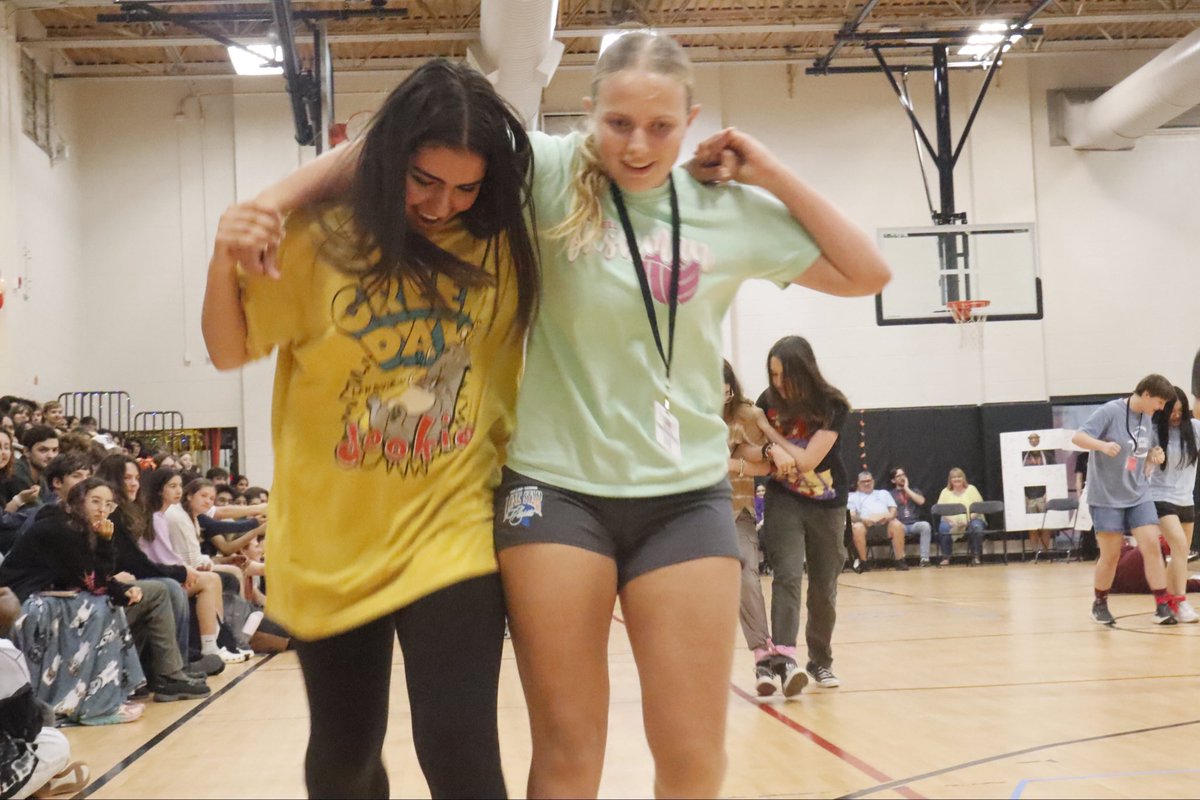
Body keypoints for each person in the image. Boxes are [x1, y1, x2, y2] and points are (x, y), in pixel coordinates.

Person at [241, 35, 888, 797]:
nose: (638, 144)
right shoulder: (544, 172)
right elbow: (397, 145)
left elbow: (865, 271)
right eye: (617, 123)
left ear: (693, 121)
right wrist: (270, 203)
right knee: (570, 749)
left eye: (660, 126)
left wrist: (768, 167)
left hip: (684, 499)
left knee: (692, 753)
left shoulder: (725, 211)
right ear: (589, 114)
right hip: (554, 493)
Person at [202, 59, 541, 799]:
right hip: (331, 542)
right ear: (392, 161)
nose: (442, 203)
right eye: (424, 179)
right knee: (345, 755)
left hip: (452, 531)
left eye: (464, 186)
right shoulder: (322, 240)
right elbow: (228, 350)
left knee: (458, 745)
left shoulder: (502, 241)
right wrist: (226, 248)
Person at [740, 336, 855, 695]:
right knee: (787, 574)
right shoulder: (765, 402)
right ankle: (783, 660)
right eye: (772, 375)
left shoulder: (833, 404)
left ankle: (820, 660)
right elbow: (752, 446)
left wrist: (772, 434)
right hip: (783, 499)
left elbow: (807, 460)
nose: (776, 383)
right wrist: (767, 445)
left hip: (828, 502)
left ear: (802, 372)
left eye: (782, 375)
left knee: (824, 586)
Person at [0, 479, 146, 724]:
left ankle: (99, 699)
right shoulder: (60, 528)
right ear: (78, 501)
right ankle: (84, 704)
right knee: (101, 606)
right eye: (95, 501)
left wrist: (121, 590)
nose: (102, 509)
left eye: (108, 504)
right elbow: (93, 581)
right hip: (19, 602)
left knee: (106, 604)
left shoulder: (78, 528)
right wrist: (107, 546)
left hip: (45, 596)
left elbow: (91, 575)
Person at [722, 360, 804, 697]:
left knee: (746, 571)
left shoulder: (747, 414)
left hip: (736, 508)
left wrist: (739, 461)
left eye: (724, 388)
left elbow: (762, 461)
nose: (719, 395)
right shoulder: (681, 411)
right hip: (693, 512)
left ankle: (765, 657)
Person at [1072, 374, 1173, 625]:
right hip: (1106, 496)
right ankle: (1100, 603)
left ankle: (1162, 605)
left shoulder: (1148, 418)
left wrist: (1153, 454)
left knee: (1152, 544)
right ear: (1146, 394)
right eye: (1159, 402)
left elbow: (1139, 450)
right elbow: (1078, 437)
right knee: (1111, 554)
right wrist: (1101, 446)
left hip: (1138, 492)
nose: (1161, 408)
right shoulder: (1110, 411)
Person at [1149, 385, 1199, 622]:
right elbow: (1141, 462)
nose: (1176, 415)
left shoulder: (1195, 429)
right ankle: (1180, 602)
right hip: (1160, 496)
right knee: (1179, 546)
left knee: (1181, 553)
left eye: (1180, 410)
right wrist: (1150, 456)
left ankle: (1168, 602)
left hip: (1185, 499)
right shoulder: (1152, 431)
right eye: (1172, 411)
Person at [847, 471, 908, 573]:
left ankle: (900, 560)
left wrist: (889, 517)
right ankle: (864, 562)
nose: (867, 483)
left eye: (869, 481)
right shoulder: (853, 497)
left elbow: (893, 510)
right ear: (858, 483)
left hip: (885, 524)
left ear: (873, 481)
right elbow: (851, 515)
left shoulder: (883, 493)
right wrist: (863, 520)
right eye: (863, 481)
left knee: (897, 525)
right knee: (857, 527)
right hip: (866, 526)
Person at [935, 468, 985, 566]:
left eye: (959, 476)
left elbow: (979, 507)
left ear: (963, 478)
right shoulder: (945, 492)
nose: (957, 479)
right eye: (954, 477)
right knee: (943, 527)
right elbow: (940, 510)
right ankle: (946, 557)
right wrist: (951, 522)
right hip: (951, 520)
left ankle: (976, 556)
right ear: (950, 479)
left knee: (977, 527)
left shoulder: (972, 489)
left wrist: (968, 520)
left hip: (972, 518)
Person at [889, 467, 933, 567]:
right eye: (898, 476)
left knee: (925, 525)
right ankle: (901, 559)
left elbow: (921, 501)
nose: (902, 477)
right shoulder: (890, 494)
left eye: (903, 475)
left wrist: (907, 489)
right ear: (893, 480)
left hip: (914, 524)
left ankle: (924, 559)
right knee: (896, 528)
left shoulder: (914, 490)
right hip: (900, 525)